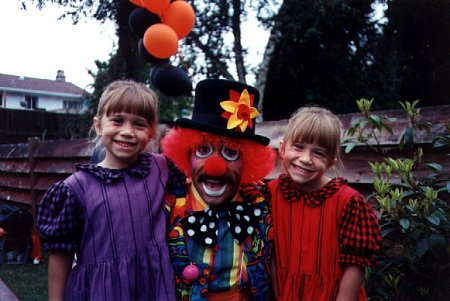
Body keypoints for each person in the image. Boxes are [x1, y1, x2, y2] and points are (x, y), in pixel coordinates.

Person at [36, 80, 186, 301]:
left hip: (154, 286)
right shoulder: (74, 189)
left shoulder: (163, 169)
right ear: (98, 125)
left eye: (139, 124)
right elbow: (61, 256)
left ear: (152, 131)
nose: (127, 132)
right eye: (117, 121)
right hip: (100, 290)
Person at [161, 79, 276, 301]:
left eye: (230, 152)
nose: (216, 167)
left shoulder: (261, 202)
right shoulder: (168, 206)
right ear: (187, 154)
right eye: (203, 150)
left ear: (247, 161)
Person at [268, 106, 382, 301]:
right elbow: (268, 253)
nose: (305, 159)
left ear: (331, 161)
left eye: (318, 153)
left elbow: (355, 265)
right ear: (283, 148)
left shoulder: (348, 202)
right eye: (298, 146)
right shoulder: (270, 193)